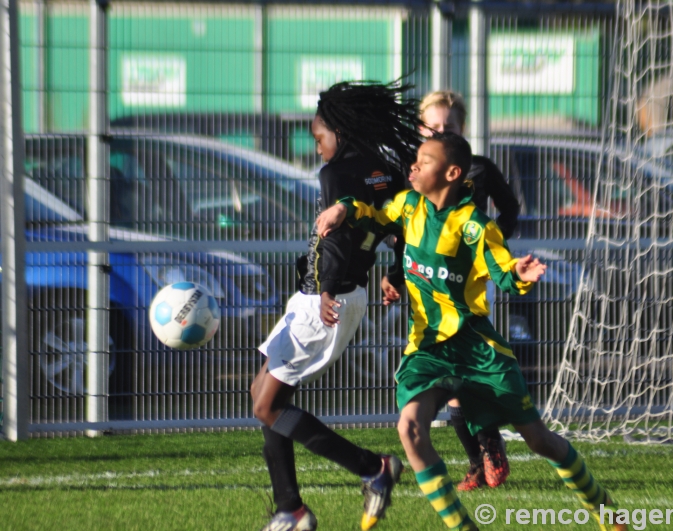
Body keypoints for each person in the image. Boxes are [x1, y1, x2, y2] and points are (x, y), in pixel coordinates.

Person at [317, 132, 627, 531]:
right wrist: (344, 209)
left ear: (451, 173)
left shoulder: (475, 227)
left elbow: (503, 272)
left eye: (424, 161)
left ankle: (605, 509)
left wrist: (520, 274)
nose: (413, 166)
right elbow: (374, 214)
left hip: (478, 350)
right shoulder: (408, 206)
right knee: (409, 428)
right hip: (427, 349)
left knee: (538, 440)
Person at [250, 80, 422, 531]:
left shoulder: (335, 175)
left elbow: (335, 244)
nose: (317, 147)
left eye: (318, 138)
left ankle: (372, 469)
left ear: (339, 133)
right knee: (263, 393)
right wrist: (395, 274)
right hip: (341, 294)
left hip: (326, 298)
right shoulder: (384, 169)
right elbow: (403, 224)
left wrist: (325, 288)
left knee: (266, 407)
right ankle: (290, 508)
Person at [382, 90, 521, 492]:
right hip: (426, 287)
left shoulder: (478, 168)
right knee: (450, 384)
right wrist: (394, 273)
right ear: (421, 128)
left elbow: (509, 207)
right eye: (434, 125)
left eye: (450, 126)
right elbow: (404, 232)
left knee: (463, 383)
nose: (442, 130)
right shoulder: (416, 173)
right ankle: (482, 457)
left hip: (467, 289)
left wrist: (493, 248)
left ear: (462, 130)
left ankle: (485, 456)